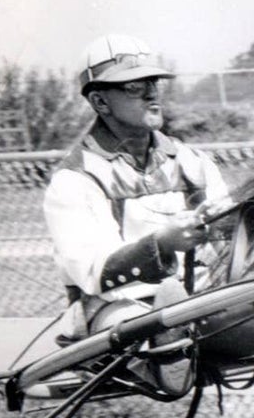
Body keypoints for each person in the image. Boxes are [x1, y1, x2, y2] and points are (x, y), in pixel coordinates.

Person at [44, 35, 230, 341]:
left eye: (153, 83)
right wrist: (161, 244)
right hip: (116, 310)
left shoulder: (193, 161)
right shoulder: (75, 179)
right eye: (134, 87)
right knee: (159, 332)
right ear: (100, 102)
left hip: (201, 297)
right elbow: (93, 273)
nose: (151, 94)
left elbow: (228, 242)